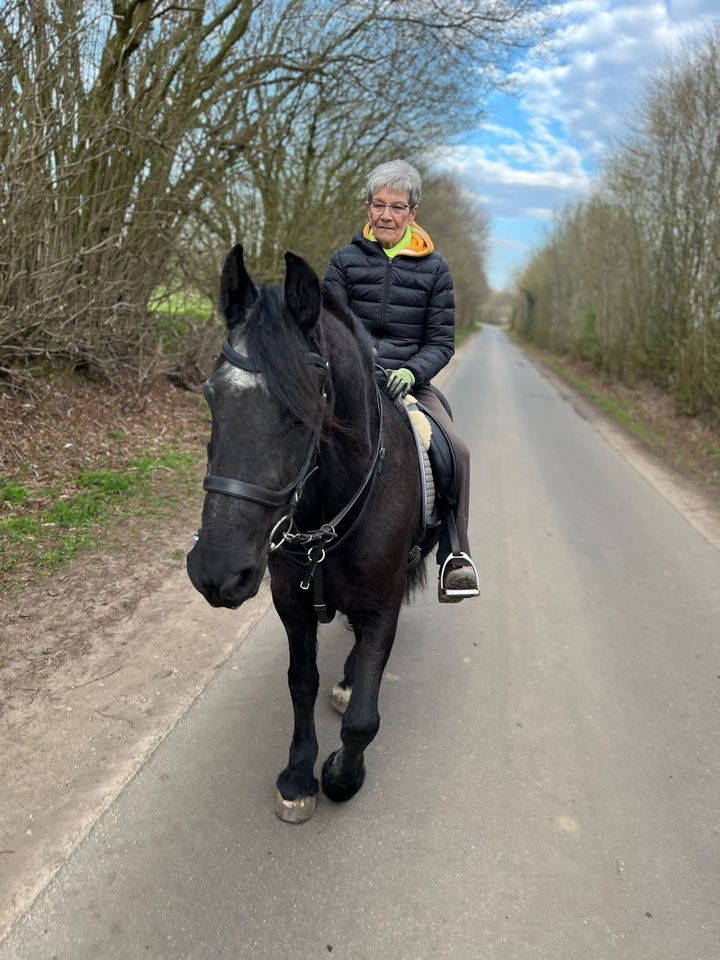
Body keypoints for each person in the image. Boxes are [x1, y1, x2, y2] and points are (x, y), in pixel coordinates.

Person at [324, 158, 479, 602]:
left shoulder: (437, 270)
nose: (386, 215)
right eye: (378, 205)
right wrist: (358, 366)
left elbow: (441, 342)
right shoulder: (344, 262)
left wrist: (411, 371)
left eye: (396, 206)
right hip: (350, 381)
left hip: (410, 383)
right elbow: (329, 327)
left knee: (459, 453)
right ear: (367, 208)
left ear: (413, 212)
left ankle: (455, 556)